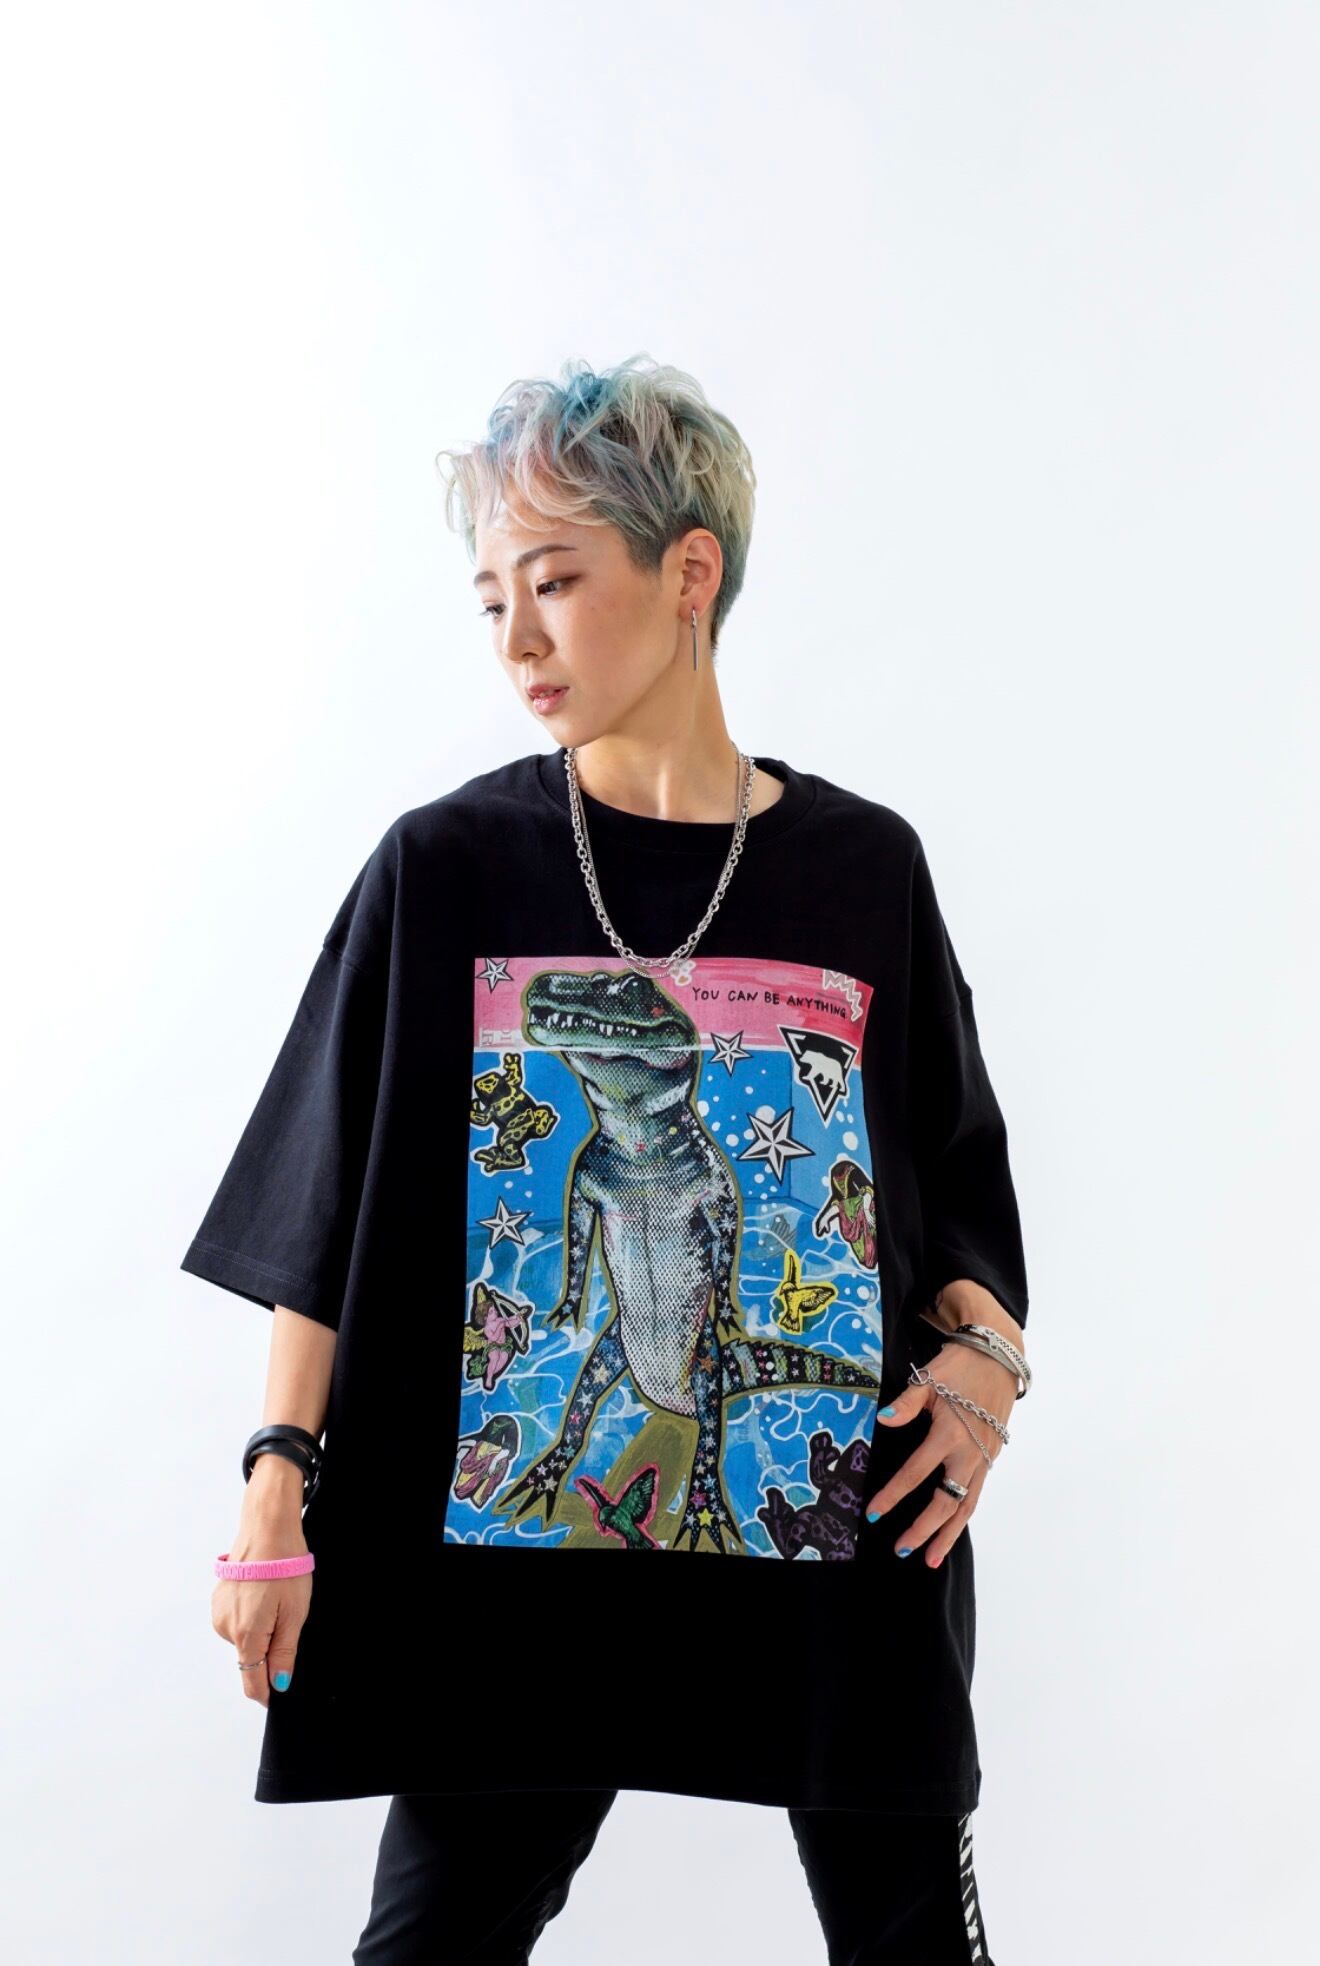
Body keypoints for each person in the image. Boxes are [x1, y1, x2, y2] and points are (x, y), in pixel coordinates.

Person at [183, 353, 1031, 1964]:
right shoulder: (444, 865)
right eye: (493, 595)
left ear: (689, 572)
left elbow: (952, 1180)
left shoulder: (864, 869)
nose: (518, 638)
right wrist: (274, 1487)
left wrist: (987, 1363)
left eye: (558, 581)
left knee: (914, 1942)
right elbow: (324, 1198)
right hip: (515, 1579)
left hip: (825, 1547)